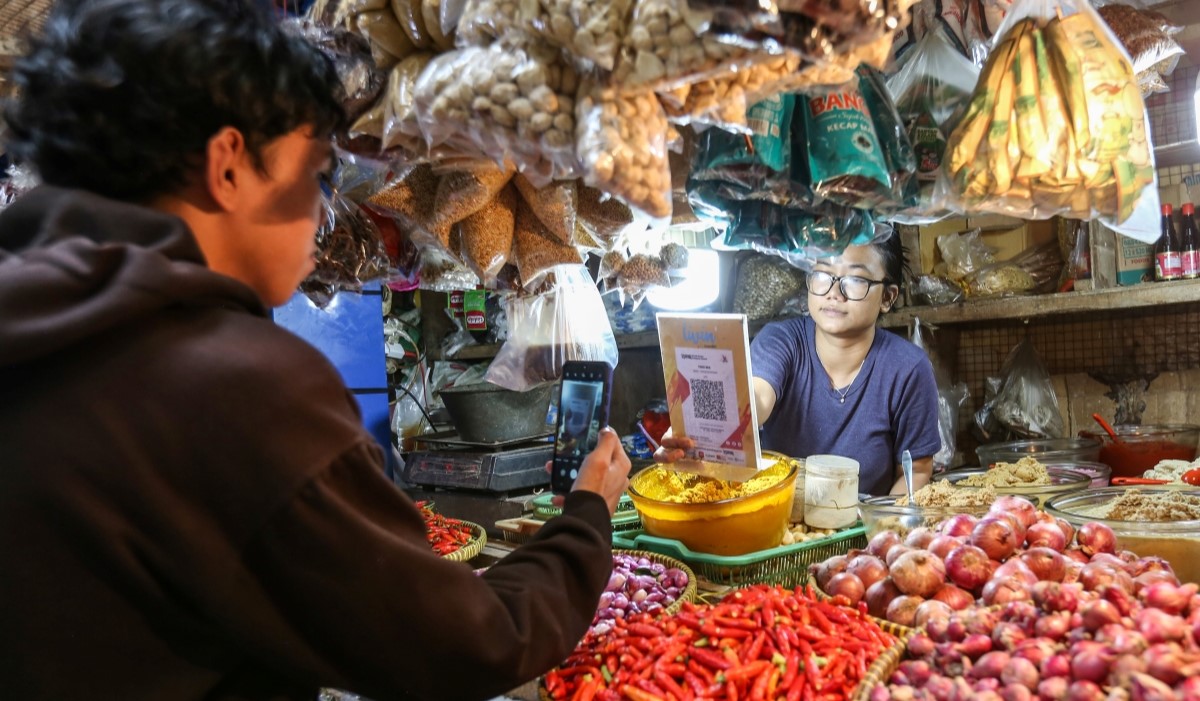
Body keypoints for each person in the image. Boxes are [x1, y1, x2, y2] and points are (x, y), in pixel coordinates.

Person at [0, 1, 631, 699]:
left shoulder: (40, 327)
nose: (323, 210)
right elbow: (462, 644)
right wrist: (585, 520)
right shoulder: (235, 384)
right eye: (318, 174)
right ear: (229, 165)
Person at [656, 235, 940, 496]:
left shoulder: (908, 368)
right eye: (823, 274)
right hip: (783, 527)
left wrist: (882, 533)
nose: (833, 293)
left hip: (862, 534)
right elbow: (756, 398)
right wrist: (699, 427)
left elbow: (915, 471)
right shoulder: (781, 340)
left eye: (854, 279)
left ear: (888, 297)